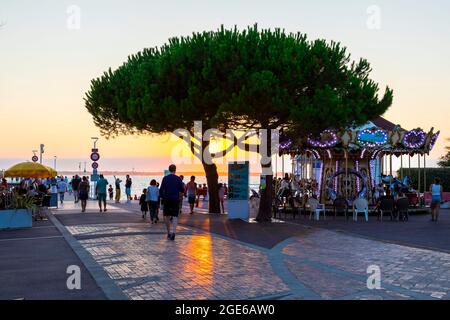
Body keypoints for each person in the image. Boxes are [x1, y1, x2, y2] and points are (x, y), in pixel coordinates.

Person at [159, 164, 184, 241]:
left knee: (167, 216)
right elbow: (182, 189)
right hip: (175, 199)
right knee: (175, 216)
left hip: (167, 199)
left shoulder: (165, 178)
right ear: (175, 170)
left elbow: (161, 190)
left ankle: (168, 232)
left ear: (169, 170)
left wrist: (163, 197)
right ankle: (174, 232)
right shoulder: (178, 179)